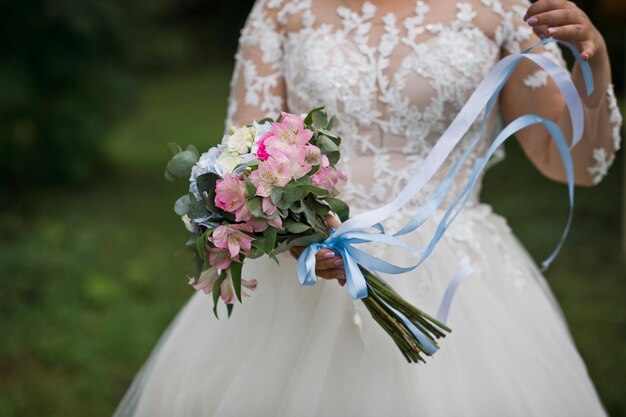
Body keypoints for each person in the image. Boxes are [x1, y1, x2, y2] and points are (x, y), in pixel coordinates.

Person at [113, 0, 622, 416]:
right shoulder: (281, 9)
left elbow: (574, 163)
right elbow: (243, 158)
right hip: (307, 270)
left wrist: (593, 65)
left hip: (453, 276)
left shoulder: (506, 8)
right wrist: (294, 238)